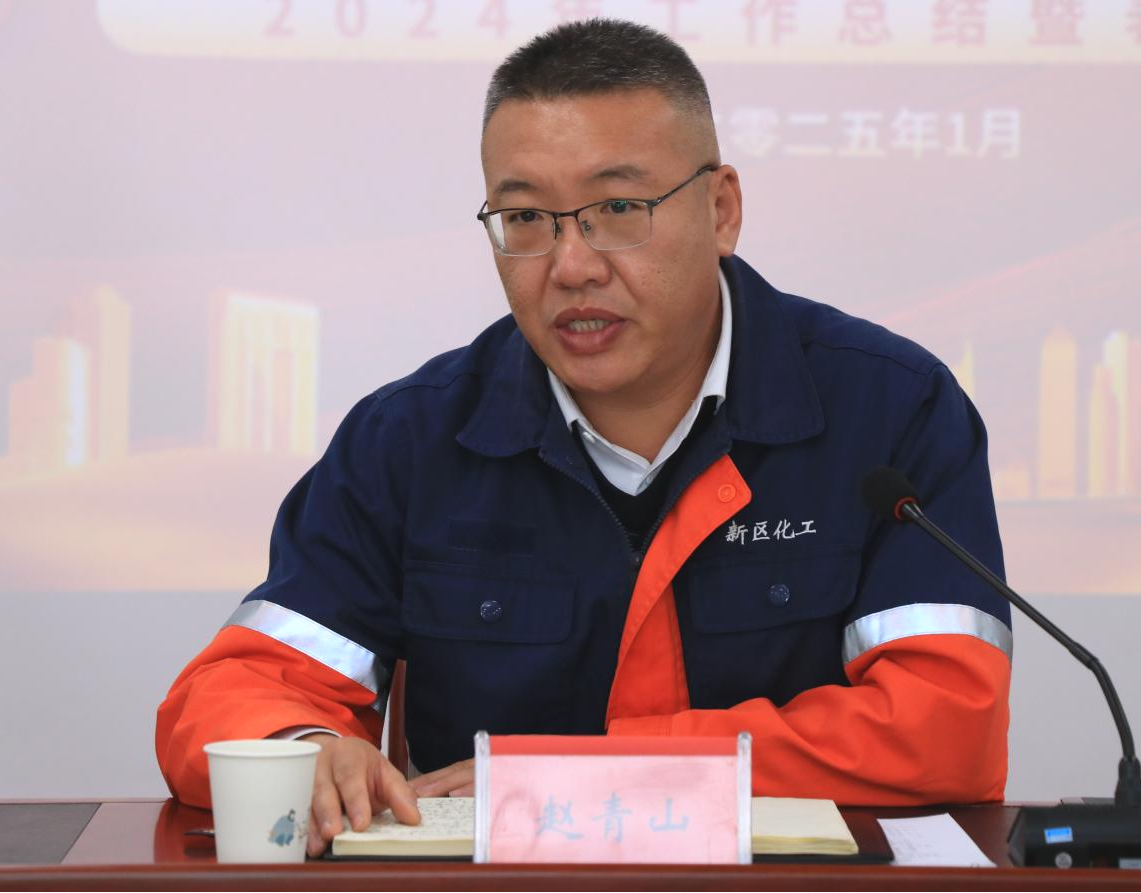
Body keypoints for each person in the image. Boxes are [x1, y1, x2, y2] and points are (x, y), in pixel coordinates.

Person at [156, 18, 1012, 857]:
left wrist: (587, 776)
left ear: (721, 210)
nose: (571, 266)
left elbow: (944, 728)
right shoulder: (412, 438)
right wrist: (303, 748)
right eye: (526, 218)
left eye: (618, 208)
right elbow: (233, 693)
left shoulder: (888, 409)